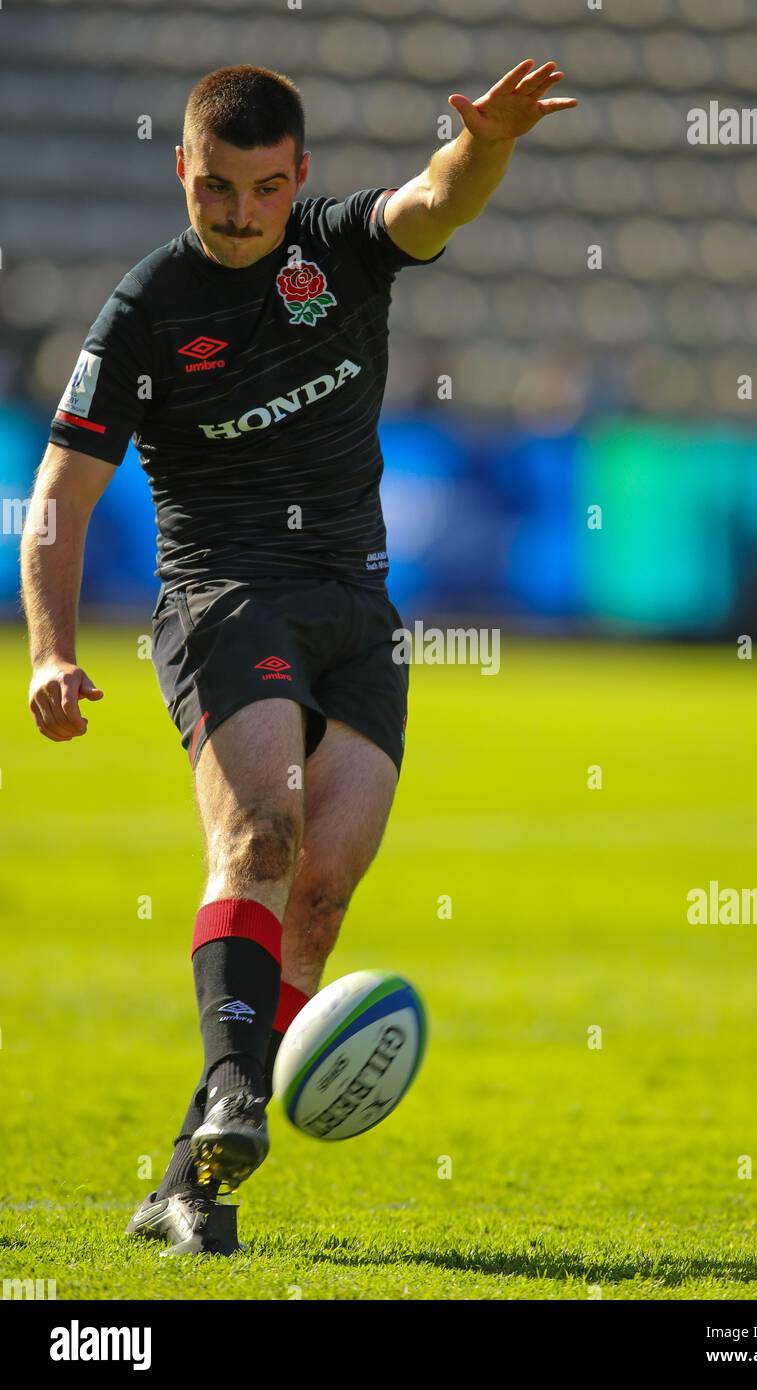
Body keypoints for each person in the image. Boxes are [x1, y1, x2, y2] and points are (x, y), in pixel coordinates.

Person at [21, 61, 576, 1257]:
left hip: (356, 612)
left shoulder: (338, 251)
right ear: (182, 167)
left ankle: (188, 1182)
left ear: (300, 179)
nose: (237, 214)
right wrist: (49, 653)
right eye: (216, 187)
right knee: (259, 841)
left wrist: (487, 148)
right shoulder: (146, 310)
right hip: (226, 598)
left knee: (317, 899)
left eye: (264, 190)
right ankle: (234, 1094)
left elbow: (435, 202)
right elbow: (58, 496)